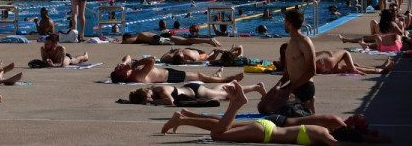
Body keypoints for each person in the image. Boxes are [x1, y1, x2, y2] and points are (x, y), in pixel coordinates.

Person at [162, 81, 382, 145]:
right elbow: (356, 139)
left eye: (356, 119)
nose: (352, 116)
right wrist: (374, 139)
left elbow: (358, 137)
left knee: (224, 125)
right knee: (222, 128)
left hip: (279, 123)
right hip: (278, 124)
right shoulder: (334, 126)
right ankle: (185, 118)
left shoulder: (333, 125)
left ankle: (185, 118)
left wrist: (371, 137)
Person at [264, 8, 316, 114]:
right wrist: (277, 85)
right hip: (293, 86)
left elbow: (312, 71)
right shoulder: (290, 43)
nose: (284, 23)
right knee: (263, 106)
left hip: (305, 87)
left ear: (289, 23)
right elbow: (288, 73)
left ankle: (306, 108)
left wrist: (288, 90)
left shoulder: (304, 42)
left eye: (284, 21)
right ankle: (302, 104)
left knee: (275, 109)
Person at [110, 54, 243, 84]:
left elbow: (127, 56)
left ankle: (216, 76)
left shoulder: (128, 71)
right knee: (200, 76)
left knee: (200, 76)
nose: (119, 66)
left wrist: (124, 64)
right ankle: (227, 79)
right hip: (172, 77)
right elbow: (152, 59)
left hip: (168, 72)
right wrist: (132, 65)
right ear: (125, 76)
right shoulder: (138, 75)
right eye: (119, 69)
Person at [130, 80, 266, 106]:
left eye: (148, 97)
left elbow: (170, 102)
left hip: (196, 92)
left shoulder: (159, 90)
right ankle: (230, 83)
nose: (151, 98)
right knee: (217, 91)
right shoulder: (154, 91)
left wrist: (152, 101)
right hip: (192, 90)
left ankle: (256, 87)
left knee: (226, 95)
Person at [315, 50, 394, 75]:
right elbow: (312, 54)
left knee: (349, 66)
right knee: (345, 52)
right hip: (323, 63)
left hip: (322, 69)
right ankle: (353, 69)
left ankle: (380, 69)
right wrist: (324, 52)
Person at [122, 31, 221, 47]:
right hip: (162, 37)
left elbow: (127, 41)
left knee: (186, 42)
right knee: (187, 42)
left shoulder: (137, 35)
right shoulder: (141, 35)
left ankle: (209, 40)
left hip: (160, 39)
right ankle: (208, 40)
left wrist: (122, 42)